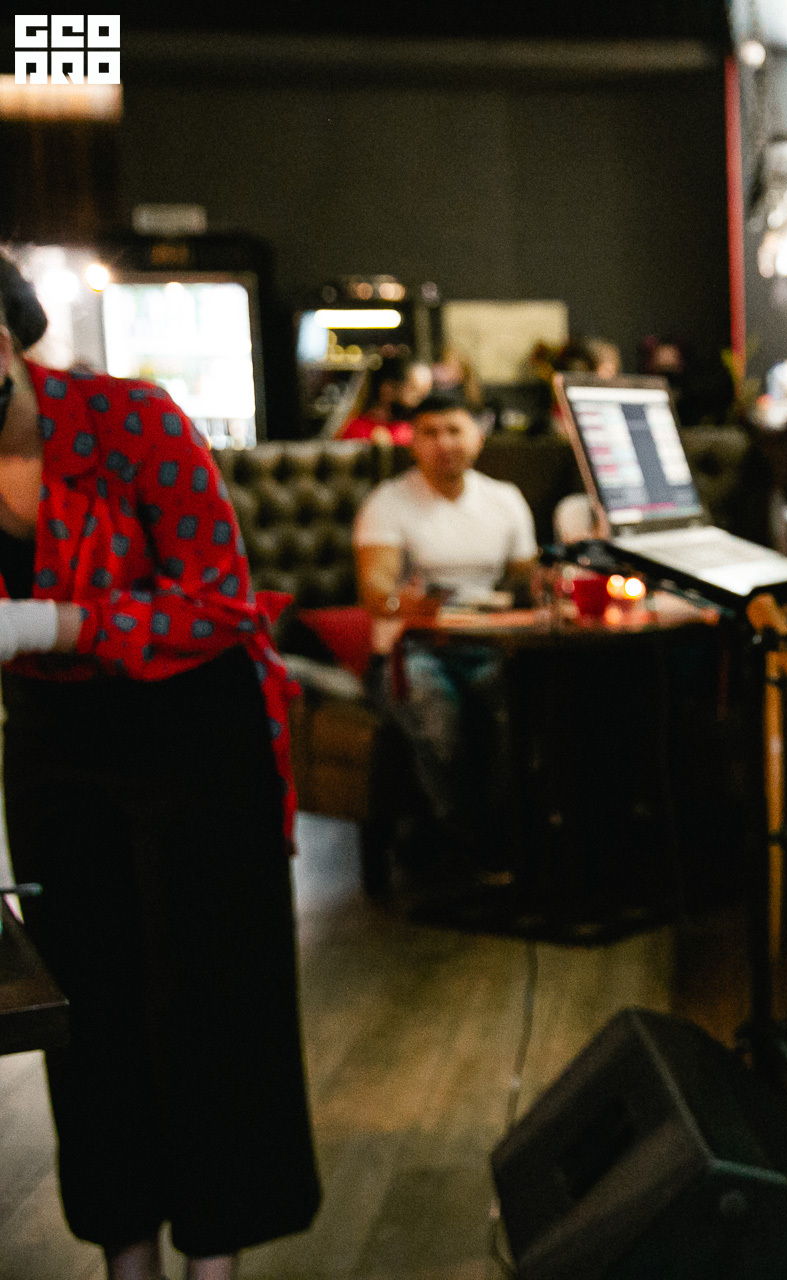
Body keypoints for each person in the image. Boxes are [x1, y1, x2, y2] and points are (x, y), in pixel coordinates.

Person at [0, 250, 319, 1279]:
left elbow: (220, 602)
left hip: (194, 725)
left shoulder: (129, 419)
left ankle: (214, 1259)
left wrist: (50, 621)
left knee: (211, 1000)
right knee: (83, 1005)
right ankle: (124, 1256)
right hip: (52, 736)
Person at [353, 393, 536, 859]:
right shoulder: (388, 502)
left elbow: (525, 583)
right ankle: (458, 836)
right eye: (429, 433)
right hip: (409, 651)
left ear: (477, 437)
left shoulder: (504, 499)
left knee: (520, 708)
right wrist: (402, 601)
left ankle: (512, 832)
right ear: (413, 442)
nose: (443, 444)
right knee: (439, 716)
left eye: (454, 431)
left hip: (489, 643)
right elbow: (375, 588)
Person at [335, 352, 431, 446]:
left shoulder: (415, 427)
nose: (420, 400)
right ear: (388, 388)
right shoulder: (358, 429)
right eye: (413, 389)